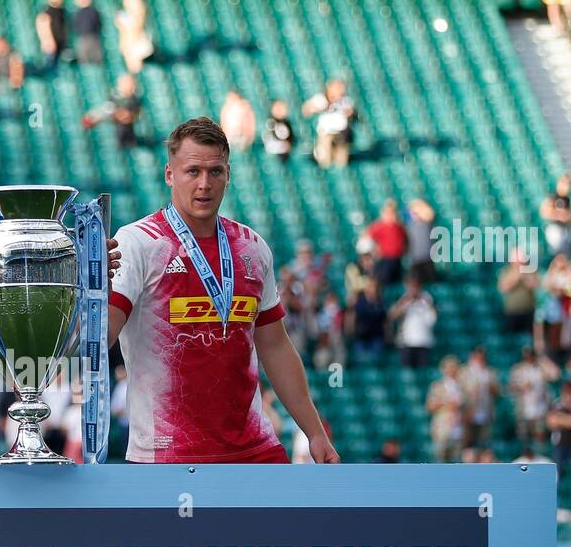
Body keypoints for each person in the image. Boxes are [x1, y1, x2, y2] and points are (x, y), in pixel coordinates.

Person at [108, 117, 337, 464]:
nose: (204, 184)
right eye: (192, 171)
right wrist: (90, 290)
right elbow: (98, 339)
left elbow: (275, 347)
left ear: (228, 175)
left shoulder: (251, 247)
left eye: (215, 172)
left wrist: (315, 431)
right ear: (169, 174)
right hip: (169, 455)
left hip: (256, 452)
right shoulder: (138, 243)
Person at [509, 346, 559, 445]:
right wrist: (521, 387)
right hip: (523, 408)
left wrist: (543, 358)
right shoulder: (518, 370)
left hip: (540, 409)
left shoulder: (541, 368)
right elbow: (511, 387)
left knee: (539, 436)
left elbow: (555, 374)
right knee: (523, 437)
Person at [302, 79, 356, 168]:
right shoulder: (321, 99)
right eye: (337, 88)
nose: (340, 91)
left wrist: (350, 114)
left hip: (341, 134)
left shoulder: (346, 101)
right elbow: (305, 110)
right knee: (324, 160)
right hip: (326, 133)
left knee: (341, 161)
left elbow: (352, 115)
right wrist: (316, 107)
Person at [388, 274, 437, 369]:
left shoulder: (427, 298)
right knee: (407, 373)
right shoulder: (403, 299)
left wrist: (425, 302)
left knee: (423, 372)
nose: (413, 288)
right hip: (407, 341)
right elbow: (392, 315)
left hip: (424, 341)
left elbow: (433, 318)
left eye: (415, 285)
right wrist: (406, 302)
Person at [426, 356, 465, 463]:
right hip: (443, 427)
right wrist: (446, 402)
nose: (451, 370)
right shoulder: (437, 386)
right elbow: (429, 406)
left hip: (459, 427)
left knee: (456, 458)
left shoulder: (462, 387)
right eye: (449, 367)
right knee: (440, 457)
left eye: (454, 367)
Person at [366, 199, 408, 287]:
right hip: (386, 259)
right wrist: (375, 250)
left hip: (398, 258)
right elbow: (367, 237)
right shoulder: (379, 226)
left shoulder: (399, 226)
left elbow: (406, 240)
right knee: (385, 281)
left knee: (398, 282)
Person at [546, 381, 571, 477]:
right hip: (559, 444)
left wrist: (560, 418)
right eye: (565, 391)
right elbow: (552, 423)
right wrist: (570, 419)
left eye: (569, 391)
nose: (567, 394)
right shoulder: (555, 404)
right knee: (557, 474)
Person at [498, 246, 539, 333]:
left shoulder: (530, 270)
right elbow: (503, 287)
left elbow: (534, 285)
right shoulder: (506, 271)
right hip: (512, 311)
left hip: (528, 310)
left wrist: (523, 274)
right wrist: (516, 275)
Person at [114, 0, 154, 76]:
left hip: (140, 45)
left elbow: (138, 28)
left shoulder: (141, 14)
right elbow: (124, 35)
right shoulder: (122, 15)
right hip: (129, 45)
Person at [34, 0, 67, 70]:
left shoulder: (62, 11)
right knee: (51, 70)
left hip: (61, 45)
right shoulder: (47, 11)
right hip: (52, 47)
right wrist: (47, 41)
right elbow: (42, 25)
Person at [540, 173, 571, 258]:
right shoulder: (553, 197)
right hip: (554, 229)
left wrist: (563, 216)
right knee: (556, 255)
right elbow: (545, 212)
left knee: (564, 256)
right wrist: (559, 215)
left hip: (564, 229)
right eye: (565, 183)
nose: (567, 187)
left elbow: (568, 216)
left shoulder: (567, 199)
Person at [72, 0, 103, 64]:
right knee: (84, 60)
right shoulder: (77, 13)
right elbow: (75, 27)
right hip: (82, 38)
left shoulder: (93, 11)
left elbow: (98, 24)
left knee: (96, 59)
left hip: (93, 37)